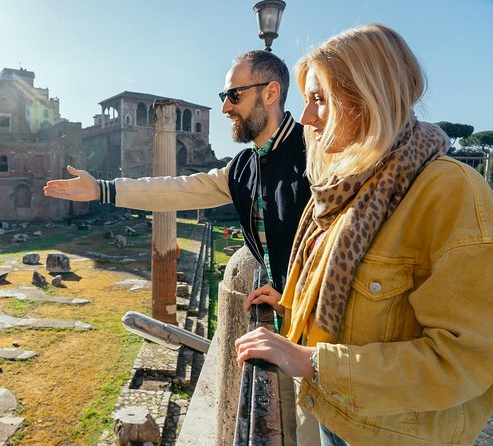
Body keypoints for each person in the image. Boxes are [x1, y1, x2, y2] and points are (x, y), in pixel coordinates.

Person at [234, 23, 493, 446]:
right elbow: (361, 300)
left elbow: (466, 360)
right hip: (340, 414)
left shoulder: (452, 192)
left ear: (369, 96)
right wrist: (296, 307)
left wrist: (312, 361)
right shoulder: (347, 186)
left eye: (321, 99)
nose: (308, 118)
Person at [44, 50, 313, 445]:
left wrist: (299, 289)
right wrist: (102, 189)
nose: (224, 106)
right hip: (291, 331)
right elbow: (178, 189)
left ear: (270, 93)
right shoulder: (244, 167)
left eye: (234, 95)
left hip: (336, 345)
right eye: (223, 95)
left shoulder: (318, 152)